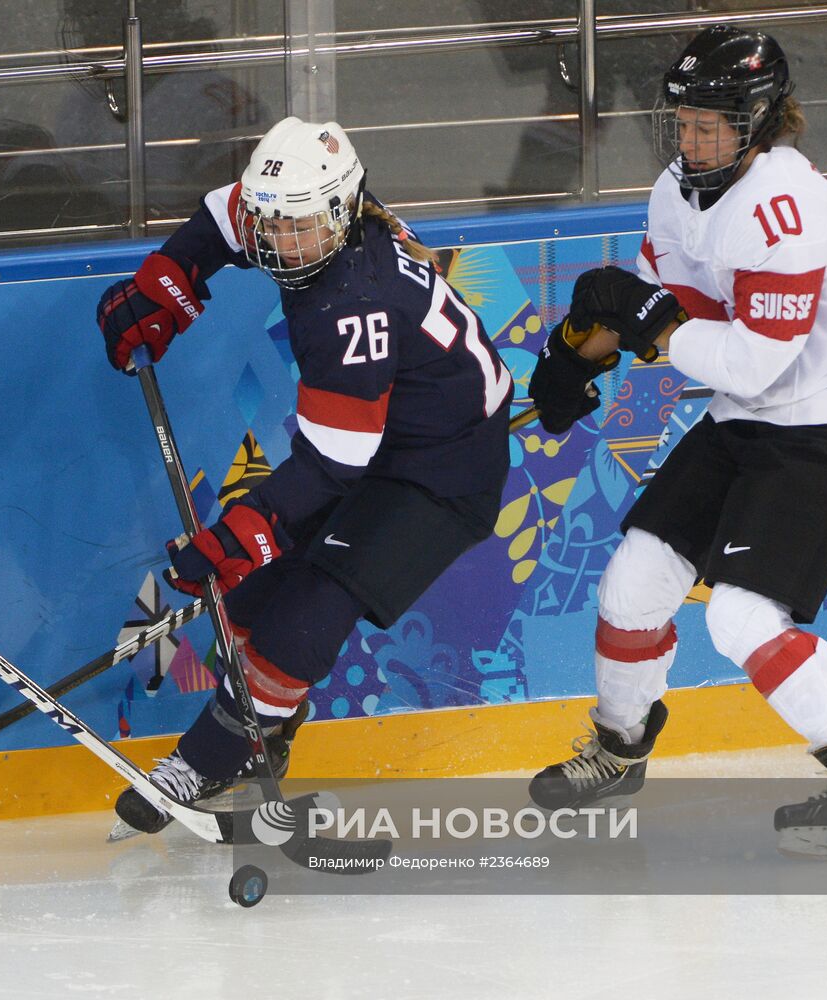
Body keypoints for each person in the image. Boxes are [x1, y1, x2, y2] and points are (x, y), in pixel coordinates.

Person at [526, 25, 827, 857]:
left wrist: (651, 324)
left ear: (761, 121)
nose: (692, 138)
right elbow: (670, 311)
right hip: (751, 417)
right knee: (630, 588)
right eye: (685, 121)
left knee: (739, 616)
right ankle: (620, 747)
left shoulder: (790, 209)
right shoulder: (676, 189)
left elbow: (748, 365)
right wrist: (575, 352)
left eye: (713, 123)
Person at [95, 116, 514, 834]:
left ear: (343, 211)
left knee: (306, 612)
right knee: (253, 598)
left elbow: (330, 465)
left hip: (442, 469)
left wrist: (233, 538)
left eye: (298, 228)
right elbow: (222, 221)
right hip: (380, 439)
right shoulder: (306, 215)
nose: (281, 243)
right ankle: (266, 735)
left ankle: (208, 758)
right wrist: (163, 287)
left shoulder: (353, 301)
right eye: (273, 225)